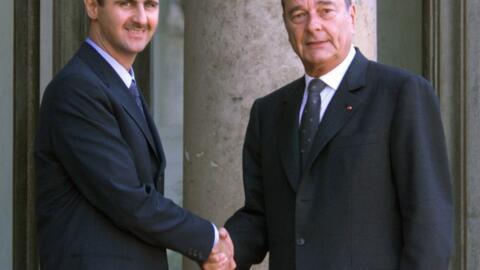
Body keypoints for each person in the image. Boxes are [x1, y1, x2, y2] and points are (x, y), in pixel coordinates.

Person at [224, 0, 453, 269]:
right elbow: (259, 216)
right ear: (285, 23)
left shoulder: (401, 94)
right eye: (298, 15)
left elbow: (429, 226)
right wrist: (219, 249)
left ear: (352, 15)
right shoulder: (268, 112)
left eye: (326, 10)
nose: (313, 26)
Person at [35, 0, 234, 269]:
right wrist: (208, 239)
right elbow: (128, 200)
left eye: (150, 5)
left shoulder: (119, 83)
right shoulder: (77, 89)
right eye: (126, 3)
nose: (141, 18)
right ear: (93, 6)